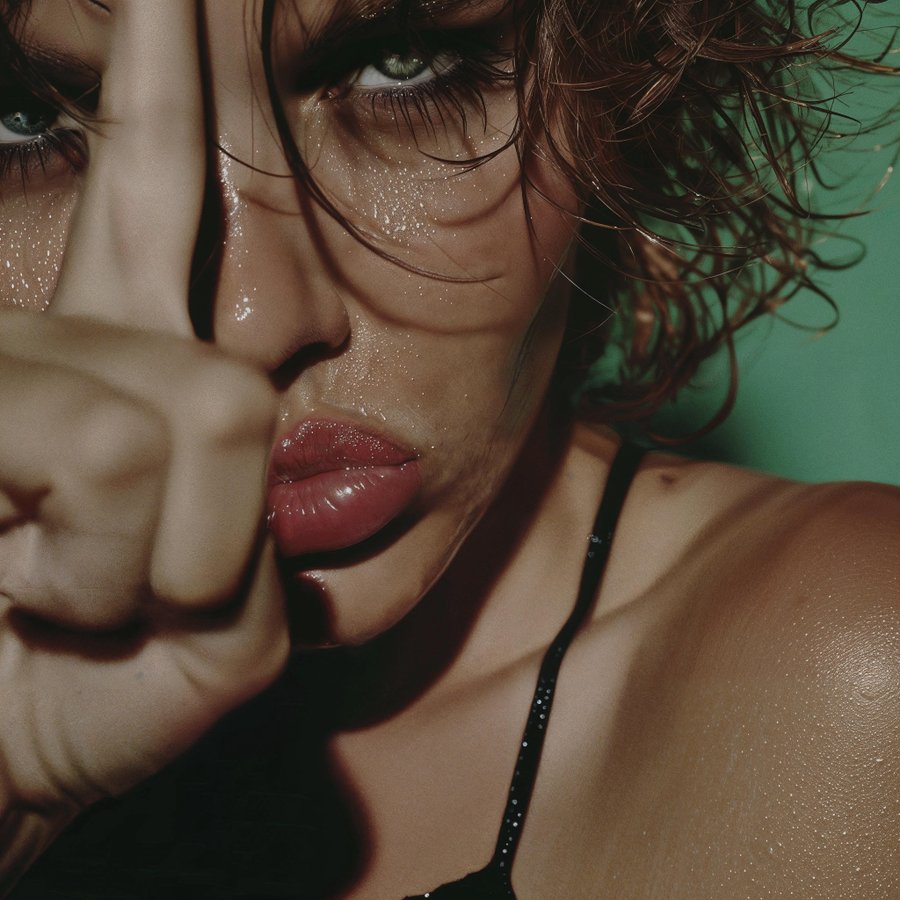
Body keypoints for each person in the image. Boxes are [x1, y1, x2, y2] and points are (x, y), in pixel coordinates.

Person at [1, 0, 897, 897]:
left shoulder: (841, 676)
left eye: (402, 63)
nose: (254, 323)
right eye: (24, 119)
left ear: (616, 75)